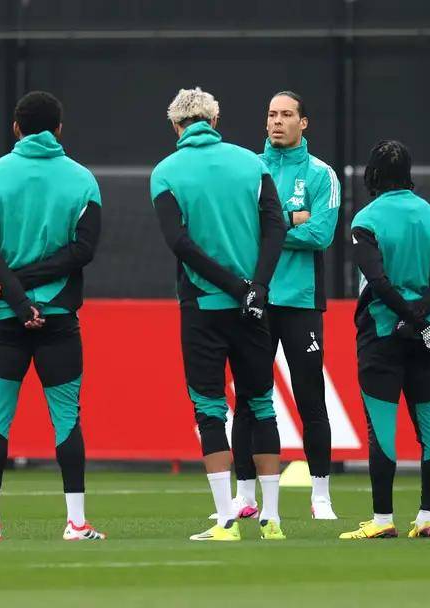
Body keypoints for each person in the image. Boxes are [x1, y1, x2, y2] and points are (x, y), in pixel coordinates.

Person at [0, 91, 105, 542]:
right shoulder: (83, 180)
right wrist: (32, 293)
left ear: (16, 128)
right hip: (58, 319)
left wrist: (16, 294)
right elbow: (83, 251)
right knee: (66, 420)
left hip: (4, 318)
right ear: (59, 129)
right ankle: (76, 522)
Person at [151, 87, 288, 541]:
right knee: (261, 405)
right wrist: (257, 288)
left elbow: (179, 243)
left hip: (203, 308)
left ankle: (227, 519)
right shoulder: (252, 163)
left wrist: (233, 286)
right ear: (214, 120)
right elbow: (275, 227)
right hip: (253, 309)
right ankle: (272, 519)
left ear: (176, 126)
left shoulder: (165, 172)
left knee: (210, 410)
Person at [227, 91, 341, 522]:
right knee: (249, 398)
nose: (277, 121)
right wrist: (292, 218)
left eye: (287, 114)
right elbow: (239, 230)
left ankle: (321, 495)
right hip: (256, 298)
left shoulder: (322, 174)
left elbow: (321, 234)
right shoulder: (248, 169)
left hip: (300, 302)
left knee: (310, 398)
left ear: (303, 122)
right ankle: (244, 495)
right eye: (272, 114)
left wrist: (270, 228)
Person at [339, 140, 430, 539]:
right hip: (423, 338)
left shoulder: (366, 220)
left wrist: (408, 316)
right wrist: (421, 318)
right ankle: (426, 517)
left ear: (373, 174)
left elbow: (379, 282)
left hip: (380, 336)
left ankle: (383, 519)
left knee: (382, 430)